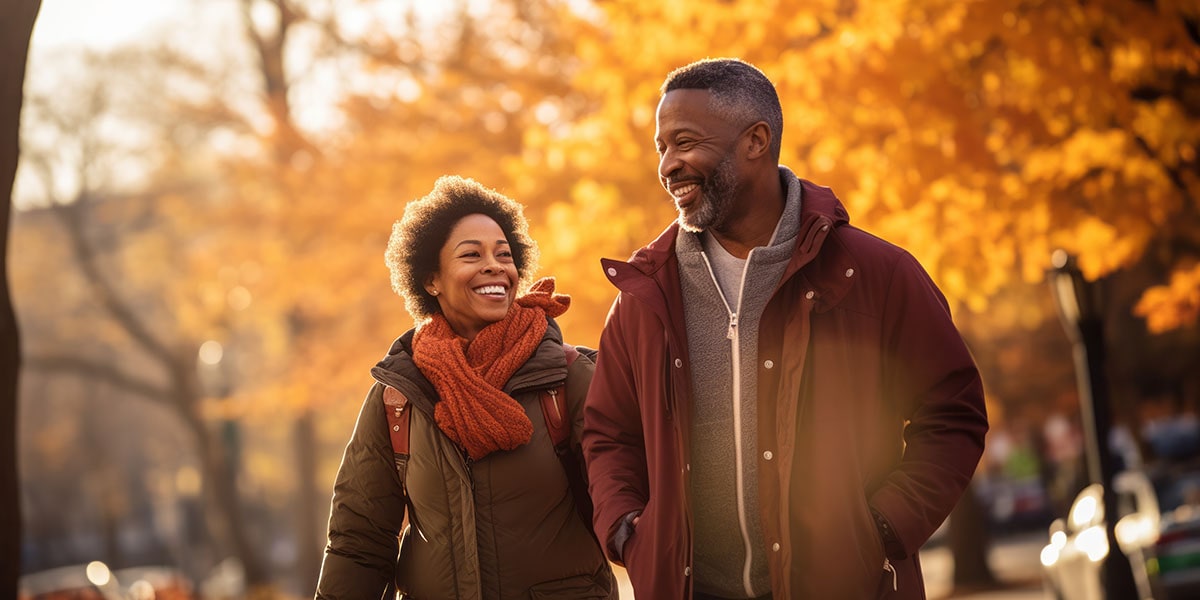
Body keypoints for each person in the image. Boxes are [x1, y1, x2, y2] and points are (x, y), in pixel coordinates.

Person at [582, 58, 989, 599]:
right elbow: (609, 433)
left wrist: (882, 527)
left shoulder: (876, 274)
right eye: (662, 148)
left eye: (685, 142)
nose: (669, 165)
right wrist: (628, 529)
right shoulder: (643, 298)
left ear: (756, 140)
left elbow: (952, 412)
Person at [315, 175, 616, 599]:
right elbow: (358, 538)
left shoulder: (566, 377)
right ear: (431, 280)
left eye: (504, 254)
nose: (494, 265)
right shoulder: (400, 395)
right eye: (471, 254)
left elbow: (630, 498)